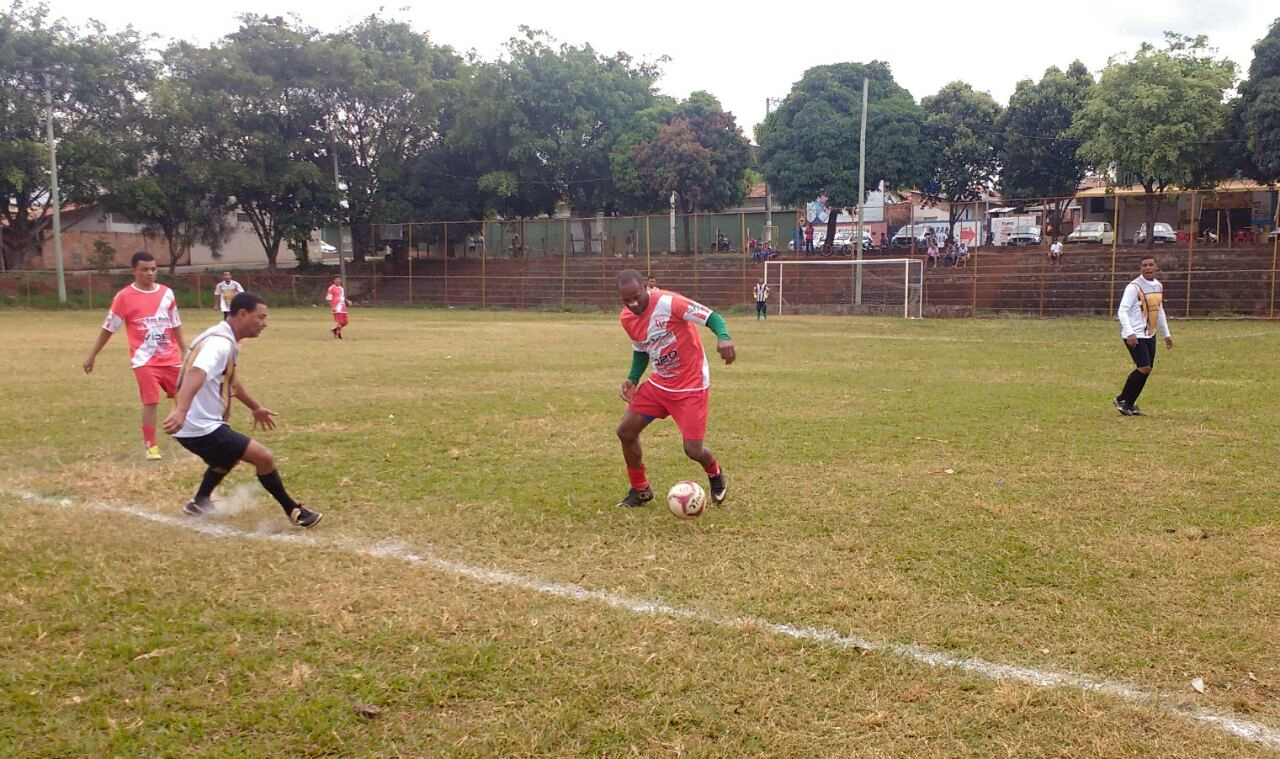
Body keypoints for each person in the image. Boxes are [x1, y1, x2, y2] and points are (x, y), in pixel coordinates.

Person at [163, 292, 322, 527]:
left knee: (228, 458)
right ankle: (294, 511)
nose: (264, 323)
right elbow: (197, 372)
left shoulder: (221, 337)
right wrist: (182, 410)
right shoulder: (220, 344)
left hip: (197, 424)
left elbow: (231, 382)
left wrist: (255, 408)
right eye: (260, 317)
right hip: (200, 426)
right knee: (264, 458)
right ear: (242, 314)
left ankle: (199, 501)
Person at [614, 270, 734, 509]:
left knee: (693, 450)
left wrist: (724, 337)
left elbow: (713, 317)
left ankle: (715, 472)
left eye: (636, 296)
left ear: (646, 288)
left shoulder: (670, 303)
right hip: (660, 385)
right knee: (626, 432)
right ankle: (641, 489)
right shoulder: (627, 318)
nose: (633, 304)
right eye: (627, 300)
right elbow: (641, 348)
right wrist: (633, 378)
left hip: (691, 387)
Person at [83, 251, 187, 461]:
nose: (150, 273)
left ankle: (183, 433)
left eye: (153, 269)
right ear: (134, 271)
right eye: (145, 269)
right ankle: (151, 445)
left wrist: (185, 350)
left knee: (184, 396)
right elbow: (108, 328)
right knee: (150, 402)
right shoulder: (124, 297)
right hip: (144, 361)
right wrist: (92, 355)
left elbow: (175, 324)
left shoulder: (167, 293)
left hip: (170, 358)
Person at [1114, 256, 1174, 417]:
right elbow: (1122, 310)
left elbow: (1159, 310)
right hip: (1135, 334)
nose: (1148, 268)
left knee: (1147, 370)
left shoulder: (1158, 286)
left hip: (1150, 334)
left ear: (1156, 267)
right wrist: (1130, 333)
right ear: (1140, 268)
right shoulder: (1134, 287)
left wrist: (1166, 334)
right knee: (1143, 368)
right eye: (1144, 265)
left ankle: (1130, 403)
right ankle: (1121, 399)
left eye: (1151, 265)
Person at [325, 275, 348, 339]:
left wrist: (347, 300)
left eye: (339, 279)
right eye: (337, 279)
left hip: (343, 307)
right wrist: (333, 307)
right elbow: (328, 299)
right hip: (336, 307)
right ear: (334, 280)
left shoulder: (341, 288)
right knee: (340, 322)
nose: (339, 281)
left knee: (345, 322)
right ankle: (338, 335)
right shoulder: (331, 288)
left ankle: (335, 330)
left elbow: (342, 296)